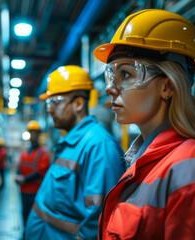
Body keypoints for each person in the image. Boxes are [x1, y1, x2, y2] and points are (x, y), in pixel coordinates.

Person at [93, 9, 195, 240]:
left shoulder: (193, 171)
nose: (110, 88)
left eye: (126, 74)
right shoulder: (144, 161)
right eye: (112, 75)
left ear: (167, 87)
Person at [25, 65, 126, 240]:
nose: (49, 109)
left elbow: (99, 221)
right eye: (48, 103)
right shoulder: (71, 142)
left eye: (54, 102)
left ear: (78, 103)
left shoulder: (99, 146)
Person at [15, 120, 50, 227]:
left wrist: (24, 180)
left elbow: (40, 172)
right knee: (25, 214)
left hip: (36, 191)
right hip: (24, 191)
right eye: (31, 132)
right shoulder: (25, 152)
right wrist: (17, 176)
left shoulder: (43, 152)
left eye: (35, 132)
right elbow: (20, 167)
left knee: (35, 217)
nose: (32, 135)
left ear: (39, 134)